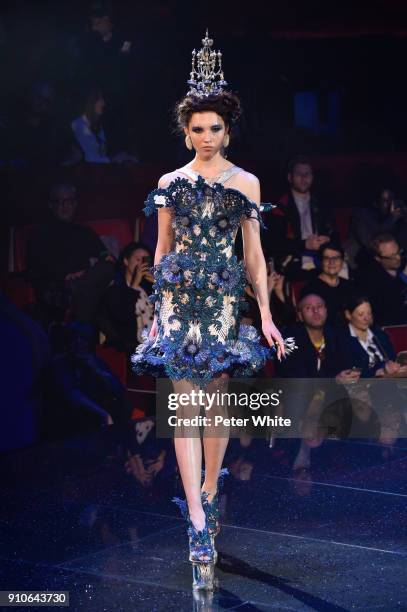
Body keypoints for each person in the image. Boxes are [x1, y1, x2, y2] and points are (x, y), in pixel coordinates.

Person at [130, 32, 296, 591]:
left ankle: (208, 492)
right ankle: (198, 525)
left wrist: (266, 315)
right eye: (197, 129)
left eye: (214, 128)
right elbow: (160, 251)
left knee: (217, 406)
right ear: (186, 131)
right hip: (179, 302)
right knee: (185, 408)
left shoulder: (245, 181)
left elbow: (254, 255)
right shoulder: (169, 183)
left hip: (223, 300)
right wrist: (156, 312)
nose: (205, 137)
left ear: (227, 130)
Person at [27, 183, 115, 327]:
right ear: (51, 205)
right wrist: (66, 275)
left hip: (86, 280)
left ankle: (79, 332)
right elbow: (35, 269)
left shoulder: (85, 233)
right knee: (91, 294)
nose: (64, 206)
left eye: (69, 201)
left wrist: (86, 271)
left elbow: (104, 255)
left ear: (75, 204)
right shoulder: (40, 234)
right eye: (59, 202)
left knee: (107, 270)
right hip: (57, 286)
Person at [263, 155, 336, 280]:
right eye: (299, 174)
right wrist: (304, 244)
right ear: (290, 177)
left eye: (307, 174)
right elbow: (274, 243)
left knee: (342, 270)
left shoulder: (320, 203)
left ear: (312, 177)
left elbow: (333, 232)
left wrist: (326, 239)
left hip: (321, 254)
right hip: (294, 256)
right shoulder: (280, 206)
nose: (304, 178)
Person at [97, 242, 154, 352]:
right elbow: (123, 316)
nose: (141, 263)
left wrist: (159, 286)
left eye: (145, 260)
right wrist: (134, 286)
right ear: (126, 261)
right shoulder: (114, 290)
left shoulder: (151, 288)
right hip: (129, 350)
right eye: (138, 259)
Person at [339, 295, 406, 378]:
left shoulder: (379, 334)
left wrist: (399, 366)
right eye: (361, 314)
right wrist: (380, 370)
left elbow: (392, 358)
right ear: (348, 315)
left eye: (369, 313)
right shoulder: (342, 340)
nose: (367, 318)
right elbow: (351, 373)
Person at [355, 233, 407, 326]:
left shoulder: (403, 263)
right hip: (391, 327)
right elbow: (388, 308)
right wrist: (403, 277)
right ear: (378, 258)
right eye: (391, 256)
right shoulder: (369, 277)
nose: (398, 258)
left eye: (399, 252)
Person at [301, 242, 355, 325]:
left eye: (336, 258)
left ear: (342, 261)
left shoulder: (349, 286)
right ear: (321, 261)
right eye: (326, 258)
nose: (331, 262)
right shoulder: (310, 288)